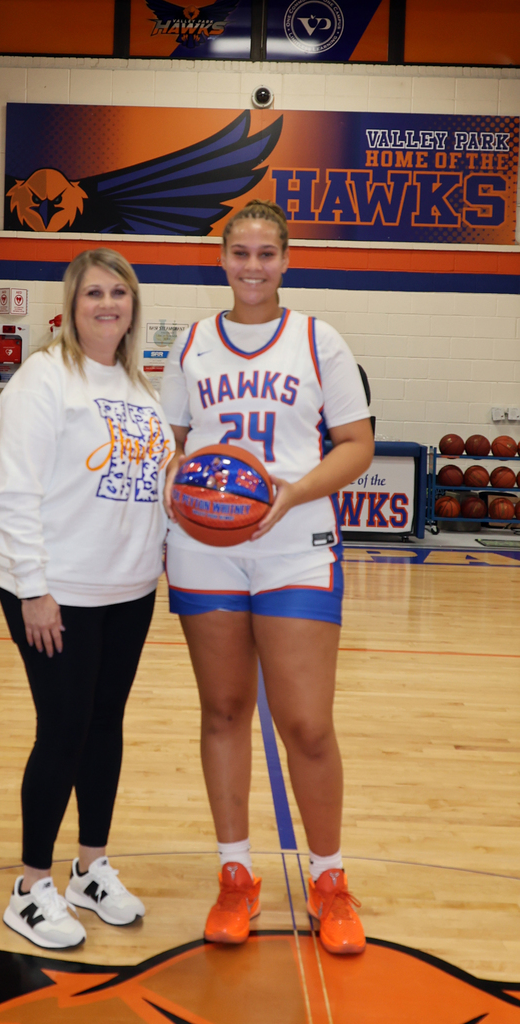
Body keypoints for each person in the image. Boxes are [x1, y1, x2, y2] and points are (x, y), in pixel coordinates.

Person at [161, 200, 374, 955]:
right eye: (240, 253)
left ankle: (329, 881)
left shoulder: (319, 340)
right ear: (221, 259)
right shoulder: (190, 344)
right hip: (205, 547)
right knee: (223, 711)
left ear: (286, 260)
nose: (252, 266)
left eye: (266, 254)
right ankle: (235, 876)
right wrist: (178, 489)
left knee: (306, 724)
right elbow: (171, 446)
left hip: (295, 542)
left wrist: (289, 493)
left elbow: (356, 445)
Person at [0, 248, 174, 950]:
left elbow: (154, 488)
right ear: (71, 304)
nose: (107, 304)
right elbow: (13, 492)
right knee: (62, 728)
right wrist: (33, 589)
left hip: (128, 588)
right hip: (55, 590)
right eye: (94, 292)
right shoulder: (44, 378)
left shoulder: (141, 389)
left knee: (104, 725)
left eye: (119, 293)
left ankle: (90, 868)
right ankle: (30, 887)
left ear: (133, 306)